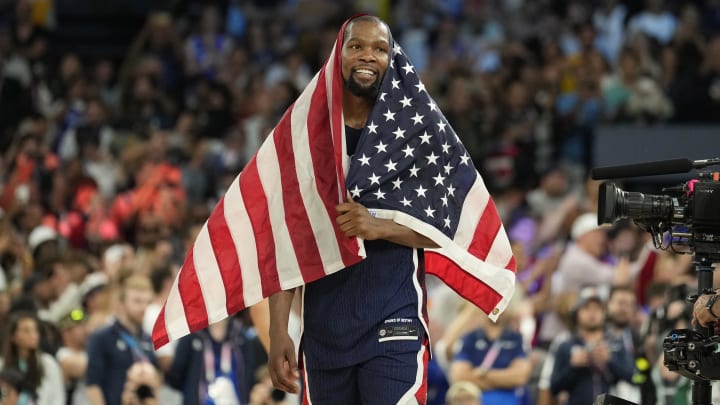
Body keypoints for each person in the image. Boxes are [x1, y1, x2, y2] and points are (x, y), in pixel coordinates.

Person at [268, 15, 440, 403]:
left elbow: (442, 228)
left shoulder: (415, 130)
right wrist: (279, 329)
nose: (368, 56)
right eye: (356, 46)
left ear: (392, 58)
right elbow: (288, 236)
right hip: (324, 331)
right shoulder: (305, 134)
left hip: (394, 319)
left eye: (380, 48)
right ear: (338, 54)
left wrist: (378, 227)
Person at [550, 287, 634, 405]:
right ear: (577, 313)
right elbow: (554, 387)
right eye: (586, 308)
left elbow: (633, 377)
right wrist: (573, 366)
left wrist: (610, 360)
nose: (592, 313)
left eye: (597, 308)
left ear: (604, 313)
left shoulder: (616, 344)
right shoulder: (566, 346)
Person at [85, 274, 157, 405]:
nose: (143, 308)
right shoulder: (101, 337)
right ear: (121, 304)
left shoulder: (147, 339)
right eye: (137, 301)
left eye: (147, 302)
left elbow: (156, 384)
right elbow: (92, 385)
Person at [1, 311, 66, 405]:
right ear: (13, 336)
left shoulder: (48, 363)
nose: (33, 335)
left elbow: (58, 398)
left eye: (35, 330)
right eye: (26, 331)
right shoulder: (2, 365)